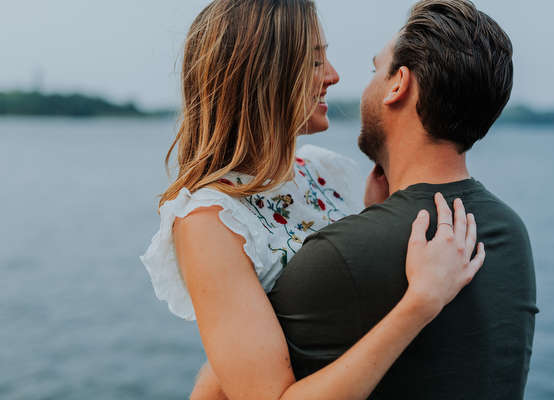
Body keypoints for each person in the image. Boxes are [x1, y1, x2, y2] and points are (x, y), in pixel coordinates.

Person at [140, 0, 485, 399]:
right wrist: (421, 303)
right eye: (315, 61)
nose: (334, 76)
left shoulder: (324, 170)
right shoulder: (209, 221)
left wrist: (374, 217)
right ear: (264, 75)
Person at [267, 0, 538, 399]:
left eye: (375, 69)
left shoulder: (336, 257)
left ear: (399, 84)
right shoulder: (510, 234)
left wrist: (368, 229)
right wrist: (376, 217)